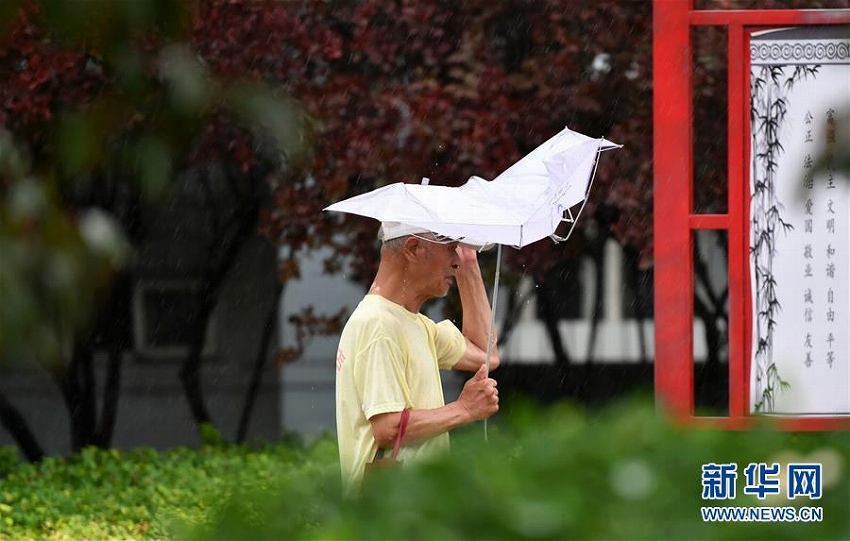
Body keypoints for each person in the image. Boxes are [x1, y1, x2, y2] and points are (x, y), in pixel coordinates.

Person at [335, 221, 500, 496]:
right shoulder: (378, 324)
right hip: (390, 517)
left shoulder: (416, 324)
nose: (455, 260)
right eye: (450, 248)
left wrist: (470, 262)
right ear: (413, 248)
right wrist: (465, 409)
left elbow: (486, 354)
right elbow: (388, 428)